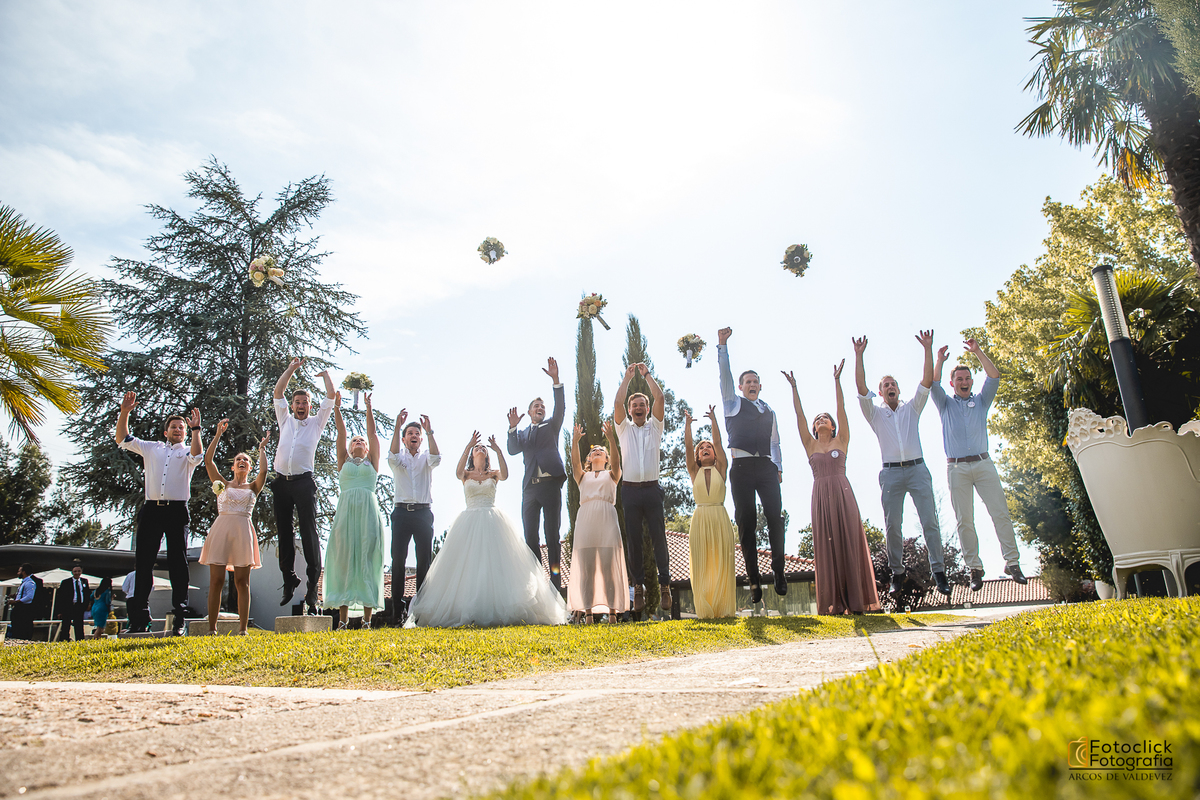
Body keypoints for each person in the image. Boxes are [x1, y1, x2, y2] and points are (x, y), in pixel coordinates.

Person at [408, 432, 569, 628]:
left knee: (495, 564)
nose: (480, 449)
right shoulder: (466, 475)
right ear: (472, 454)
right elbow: (458, 472)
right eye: (478, 447)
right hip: (468, 521)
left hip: (492, 519)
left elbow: (506, 474)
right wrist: (468, 445)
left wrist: (498, 450)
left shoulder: (493, 474)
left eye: (483, 448)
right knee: (468, 565)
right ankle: (467, 608)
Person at [853, 332, 952, 598]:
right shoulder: (875, 414)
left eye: (893, 383)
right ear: (882, 392)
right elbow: (861, 388)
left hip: (918, 470)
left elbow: (927, 381)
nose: (890, 386)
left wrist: (928, 349)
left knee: (930, 521)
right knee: (892, 525)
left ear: (899, 389)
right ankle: (897, 573)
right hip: (891, 474)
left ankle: (939, 572)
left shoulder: (912, 409)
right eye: (885, 384)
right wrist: (859, 355)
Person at [783, 362, 882, 616]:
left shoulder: (842, 440)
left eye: (824, 417)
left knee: (848, 539)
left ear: (833, 425)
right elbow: (799, 417)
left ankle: (857, 600)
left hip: (843, 492)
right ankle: (833, 603)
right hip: (820, 496)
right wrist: (794, 388)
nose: (820, 420)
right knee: (827, 545)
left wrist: (837, 381)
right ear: (815, 428)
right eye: (818, 419)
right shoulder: (810, 445)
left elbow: (842, 408)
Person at [931, 339, 1027, 591]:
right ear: (953, 383)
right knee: (965, 521)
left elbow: (994, 376)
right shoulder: (945, 404)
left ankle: (1013, 563)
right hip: (957, 468)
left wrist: (977, 351)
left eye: (967, 378)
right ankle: (974, 568)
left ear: (971, 381)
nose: (964, 382)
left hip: (984, 465)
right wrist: (939, 360)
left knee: (1000, 514)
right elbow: (933, 383)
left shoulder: (981, 401)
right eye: (959, 379)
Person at [115, 393, 204, 635]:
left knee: (178, 564)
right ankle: (139, 618)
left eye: (182, 427)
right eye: (174, 426)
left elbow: (198, 456)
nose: (178, 429)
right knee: (143, 563)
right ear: (165, 432)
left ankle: (179, 617)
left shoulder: (187, 451)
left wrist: (196, 430)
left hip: (177, 511)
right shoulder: (151, 448)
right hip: (151, 509)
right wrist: (125, 412)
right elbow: (122, 438)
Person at [716, 327, 786, 603]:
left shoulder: (770, 411)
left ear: (760, 385)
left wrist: (778, 468)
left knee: (775, 519)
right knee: (747, 522)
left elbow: (775, 442)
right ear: (741, 387)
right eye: (748, 381)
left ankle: (778, 572)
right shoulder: (732, 404)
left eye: (756, 380)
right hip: (742, 469)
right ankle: (754, 580)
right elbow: (725, 376)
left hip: (767, 469)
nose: (752, 383)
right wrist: (722, 346)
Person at [272, 357, 337, 613]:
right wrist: (290, 369)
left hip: (303, 483)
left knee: (309, 532)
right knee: (284, 533)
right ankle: (289, 579)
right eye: (297, 402)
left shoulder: (316, 423)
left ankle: (312, 586)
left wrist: (325, 376)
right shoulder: (285, 419)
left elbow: (330, 396)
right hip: (281, 483)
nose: (300, 405)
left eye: (304, 402)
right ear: (293, 405)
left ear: (310, 406)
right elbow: (278, 392)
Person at [198, 419, 270, 635]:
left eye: (245, 460)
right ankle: (212, 629)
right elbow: (208, 461)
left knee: (242, 582)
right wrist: (218, 434)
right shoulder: (221, 485)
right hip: (221, 530)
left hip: (243, 532)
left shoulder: (253, 487)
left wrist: (262, 449)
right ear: (232, 466)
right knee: (216, 580)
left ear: (249, 467)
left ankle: (243, 629)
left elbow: (264, 472)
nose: (241, 461)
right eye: (238, 459)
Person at [324, 392, 387, 630]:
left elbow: (372, 433)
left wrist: (370, 406)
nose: (358, 442)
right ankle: (341, 621)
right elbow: (341, 433)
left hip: (369, 515)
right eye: (354, 441)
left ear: (368, 448)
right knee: (344, 559)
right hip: (345, 515)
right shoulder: (344, 461)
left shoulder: (373, 462)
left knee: (368, 559)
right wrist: (338, 408)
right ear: (350, 448)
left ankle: (367, 621)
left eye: (361, 441)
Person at [614, 362, 671, 613]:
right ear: (630, 410)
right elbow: (616, 405)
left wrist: (646, 375)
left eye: (642, 404)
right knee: (634, 540)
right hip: (630, 491)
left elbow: (660, 396)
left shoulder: (655, 427)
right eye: (634, 405)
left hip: (652, 489)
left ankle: (665, 584)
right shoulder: (623, 429)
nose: (638, 407)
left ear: (647, 409)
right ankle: (638, 586)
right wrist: (627, 379)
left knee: (659, 537)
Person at [507, 357, 567, 591]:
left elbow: (560, 408)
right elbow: (512, 450)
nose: (541, 409)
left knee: (552, 535)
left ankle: (555, 586)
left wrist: (556, 381)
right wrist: (512, 428)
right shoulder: (522, 434)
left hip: (550, 486)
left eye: (543, 407)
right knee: (530, 536)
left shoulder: (551, 426)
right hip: (530, 490)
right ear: (530, 412)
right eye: (537, 407)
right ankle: (535, 585)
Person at [566, 421, 629, 623]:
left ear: (606, 458)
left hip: (607, 519)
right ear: (589, 458)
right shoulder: (582, 477)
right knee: (587, 569)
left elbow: (618, 464)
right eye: (594, 451)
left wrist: (611, 438)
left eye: (602, 451)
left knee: (608, 566)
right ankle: (589, 614)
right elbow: (575, 464)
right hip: (585, 520)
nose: (598, 452)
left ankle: (612, 614)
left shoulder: (611, 475)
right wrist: (575, 442)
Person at [683, 406, 737, 618]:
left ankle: (723, 608)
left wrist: (714, 420)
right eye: (702, 447)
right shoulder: (694, 471)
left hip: (720, 517)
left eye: (709, 447)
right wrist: (688, 426)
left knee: (722, 563)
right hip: (700, 519)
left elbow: (720, 444)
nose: (705, 448)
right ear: (698, 455)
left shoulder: (721, 468)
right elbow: (688, 447)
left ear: (714, 454)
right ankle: (705, 609)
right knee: (702, 563)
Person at [387, 409, 440, 616]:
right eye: (410, 433)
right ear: (404, 438)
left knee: (423, 560)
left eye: (416, 434)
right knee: (398, 559)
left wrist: (429, 432)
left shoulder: (426, 458)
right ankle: (397, 609)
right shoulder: (398, 459)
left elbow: (436, 457)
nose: (414, 436)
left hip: (423, 513)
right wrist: (396, 428)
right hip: (401, 513)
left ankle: (421, 608)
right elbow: (391, 455)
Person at [55, 564, 90, 641]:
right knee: (66, 625)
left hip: (79, 606)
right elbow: (61, 597)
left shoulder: (84, 581)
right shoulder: (65, 582)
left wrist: (85, 605)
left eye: (78, 571)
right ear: (72, 572)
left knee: (79, 626)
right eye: (75, 571)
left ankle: (80, 641)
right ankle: (64, 641)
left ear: (81, 572)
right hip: (68, 606)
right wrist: (60, 610)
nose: (77, 573)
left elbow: (87, 593)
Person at [6, 564, 36, 640]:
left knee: (20, 627)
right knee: (15, 625)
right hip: (19, 608)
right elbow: (23, 594)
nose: (17, 573)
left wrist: (16, 602)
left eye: (19, 571)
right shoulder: (24, 583)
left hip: (24, 609)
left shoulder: (29, 583)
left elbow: (29, 597)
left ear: (24, 572)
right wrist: (15, 596)